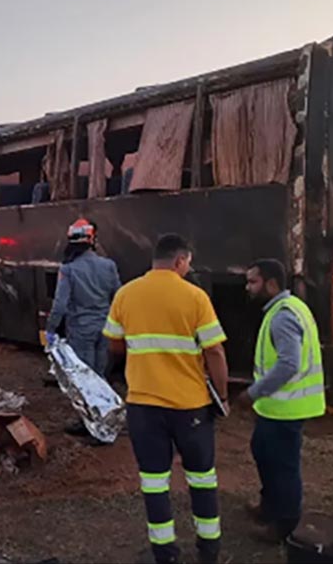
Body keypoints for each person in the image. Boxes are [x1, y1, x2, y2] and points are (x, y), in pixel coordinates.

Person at [104, 234, 229, 564]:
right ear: (179, 261)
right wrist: (223, 395)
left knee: (154, 482)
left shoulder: (126, 294)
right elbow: (214, 350)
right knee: (202, 478)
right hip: (191, 407)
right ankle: (209, 549)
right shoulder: (195, 296)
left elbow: (115, 345)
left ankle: (165, 553)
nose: (188, 268)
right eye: (188, 263)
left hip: (143, 406)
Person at [237, 259, 326, 543]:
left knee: (282, 465)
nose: (248, 288)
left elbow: (288, 364)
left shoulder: (283, 316)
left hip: (286, 408)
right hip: (276, 407)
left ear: (271, 284)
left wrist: (252, 393)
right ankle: (269, 507)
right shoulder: (287, 309)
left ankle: (285, 525)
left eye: (253, 282)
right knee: (263, 451)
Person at [45, 218, 121, 378]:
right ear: (91, 240)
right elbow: (118, 296)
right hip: (106, 328)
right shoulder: (109, 266)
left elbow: (60, 305)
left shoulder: (68, 269)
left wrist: (51, 329)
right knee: (101, 376)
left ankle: (90, 404)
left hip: (81, 330)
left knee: (85, 378)